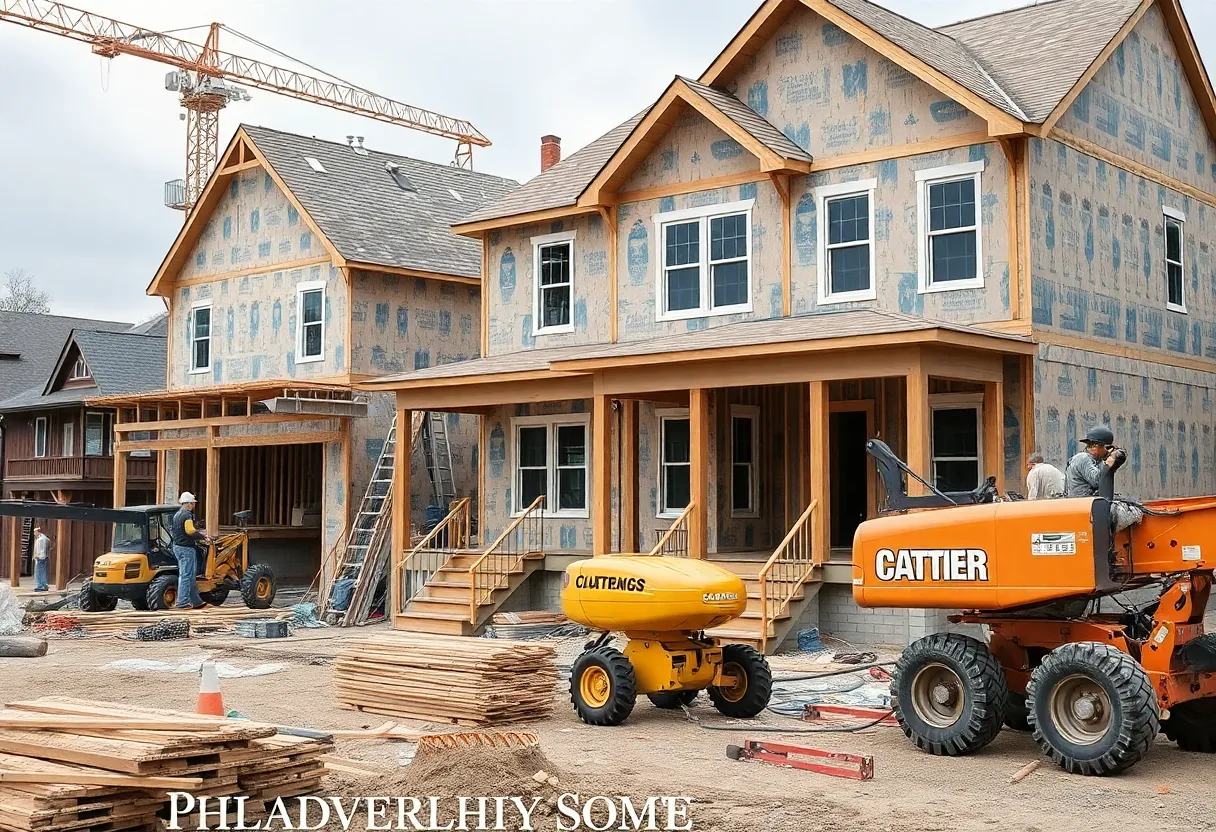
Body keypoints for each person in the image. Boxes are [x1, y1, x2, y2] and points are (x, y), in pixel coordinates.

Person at [169, 492, 208, 609]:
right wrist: (203, 536)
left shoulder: (177, 515)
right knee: (186, 575)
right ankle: (182, 602)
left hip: (177, 547)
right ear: (190, 504)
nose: (194, 506)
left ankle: (196, 601)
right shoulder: (187, 515)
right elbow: (190, 531)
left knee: (190, 575)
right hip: (186, 549)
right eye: (193, 503)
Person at [1066, 426, 1119, 498]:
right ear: (1096, 446)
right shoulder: (1083, 458)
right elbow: (1098, 480)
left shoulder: (1095, 460)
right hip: (1083, 505)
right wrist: (1108, 461)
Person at [32, 527, 50, 592]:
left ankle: (41, 585)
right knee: (42, 571)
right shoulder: (46, 539)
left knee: (39, 572)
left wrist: (37, 556)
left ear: (37, 532)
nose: (34, 534)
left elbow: (40, 549)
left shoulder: (41, 539)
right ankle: (43, 585)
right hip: (44, 557)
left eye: (35, 532)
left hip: (41, 557)